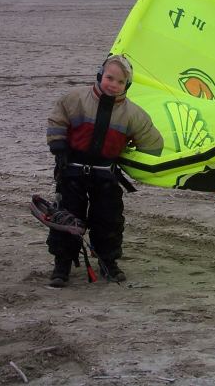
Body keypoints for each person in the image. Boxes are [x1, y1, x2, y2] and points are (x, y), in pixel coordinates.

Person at [45, 54, 163, 287]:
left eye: (120, 82)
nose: (113, 84)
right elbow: (57, 120)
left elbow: (153, 144)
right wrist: (58, 148)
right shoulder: (75, 98)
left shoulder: (133, 113)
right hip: (72, 171)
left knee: (108, 220)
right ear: (100, 75)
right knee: (66, 218)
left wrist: (131, 155)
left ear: (127, 85)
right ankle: (62, 265)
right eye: (110, 78)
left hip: (106, 175)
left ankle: (108, 262)